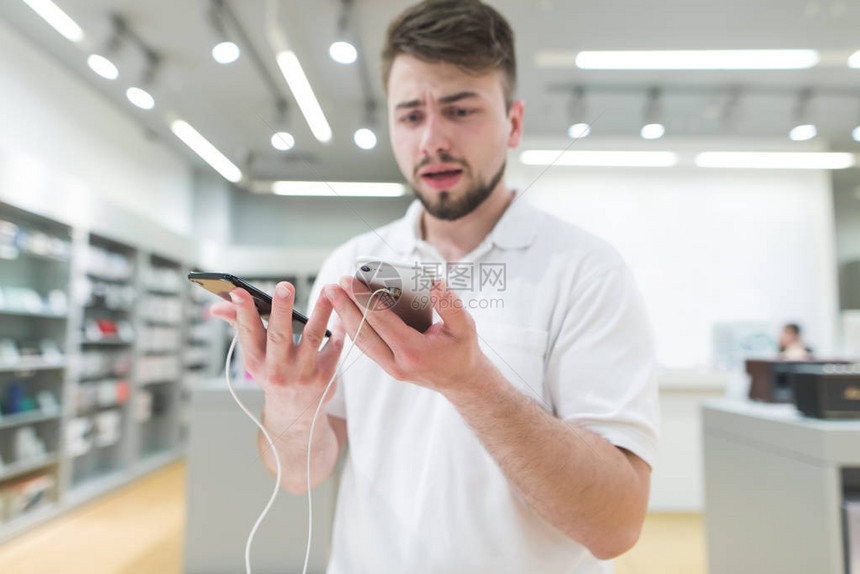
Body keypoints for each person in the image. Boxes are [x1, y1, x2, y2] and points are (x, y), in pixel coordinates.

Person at [211, 1, 659, 572]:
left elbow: (616, 524)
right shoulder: (353, 265)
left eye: (460, 109)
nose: (432, 140)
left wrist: (473, 385)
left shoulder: (588, 271)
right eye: (410, 116)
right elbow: (301, 473)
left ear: (514, 123)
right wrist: (289, 402)